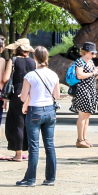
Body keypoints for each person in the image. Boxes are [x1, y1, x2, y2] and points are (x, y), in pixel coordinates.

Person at [18, 47, 61, 186]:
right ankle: (50, 178)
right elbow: (57, 96)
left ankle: (30, 179)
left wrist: (27, 96)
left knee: (34, 147)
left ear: (34, 58)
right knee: (49, 145)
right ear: (47, 57)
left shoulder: (30, 76)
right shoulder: (54, 75)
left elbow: (23, 97)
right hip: (49, 110)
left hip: (35, 110)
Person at [4, 38, 34, 161]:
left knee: (17, 123)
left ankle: (18, 154)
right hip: (30, 94)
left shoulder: (13, 60)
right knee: (29, 124)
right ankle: (31, 151)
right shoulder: (33, 62)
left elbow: (6, 78)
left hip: (17, 93)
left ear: (17, 49)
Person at [69, 42, 98, 148]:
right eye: (92, 53)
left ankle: (84, 138)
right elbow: (80, 75)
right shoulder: (80, 62)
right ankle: (79, 139)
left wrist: (97, 74)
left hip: (90, 90)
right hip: (82, 90)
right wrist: (93, 73)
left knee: (87, 115)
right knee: (82, 116)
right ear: (86, 52)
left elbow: (90, 78)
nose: (94, 55)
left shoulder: (91, 62)